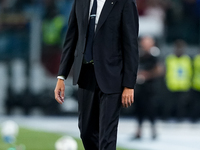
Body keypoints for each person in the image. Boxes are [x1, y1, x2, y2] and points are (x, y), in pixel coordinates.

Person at [54, 0, 139, 150]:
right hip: (86, 76)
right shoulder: (80, 2)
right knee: (86, 132)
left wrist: (129, 84)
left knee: (107, 136)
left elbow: (131, 45)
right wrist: (62, 76)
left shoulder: (124, 2)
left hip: (112, 77)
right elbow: (71, 38)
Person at [134, 36, 161, 139]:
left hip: (151, 88)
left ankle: (153, 130)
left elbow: (159, 70)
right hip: (140, 88)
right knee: (139, 109)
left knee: (151, 109)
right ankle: (139, 131)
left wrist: (146, 75)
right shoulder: (139, 55)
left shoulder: (154, 55)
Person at [164, 39, 192, 120]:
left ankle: (180, 118)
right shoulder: (170, 58)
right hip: (171, 85)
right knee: (169, 104)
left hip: (183, 85)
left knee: (182, 105)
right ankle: (166, 118)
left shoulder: (187, 59)